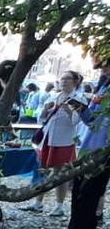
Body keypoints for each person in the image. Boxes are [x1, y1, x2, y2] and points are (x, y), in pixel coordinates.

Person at [52, 89, 108, 229]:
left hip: (100, 152)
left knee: (86, 194)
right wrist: (82, 109)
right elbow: (93, 121)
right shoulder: (103, 87)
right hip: (91, 148)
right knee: (85, 193)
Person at [32, 71, 85, 215]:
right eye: (62, 78)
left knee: (61, 173)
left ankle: (59, 205)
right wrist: (44, 110)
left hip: (65, 141)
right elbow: (41, 119)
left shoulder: (79, 99)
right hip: (48, 138)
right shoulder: (54, 96)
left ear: (75, 81)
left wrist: (68, 110)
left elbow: (76, 121)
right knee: (42, 169)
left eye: (67, 78)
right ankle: (38, 202)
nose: (63, 81)